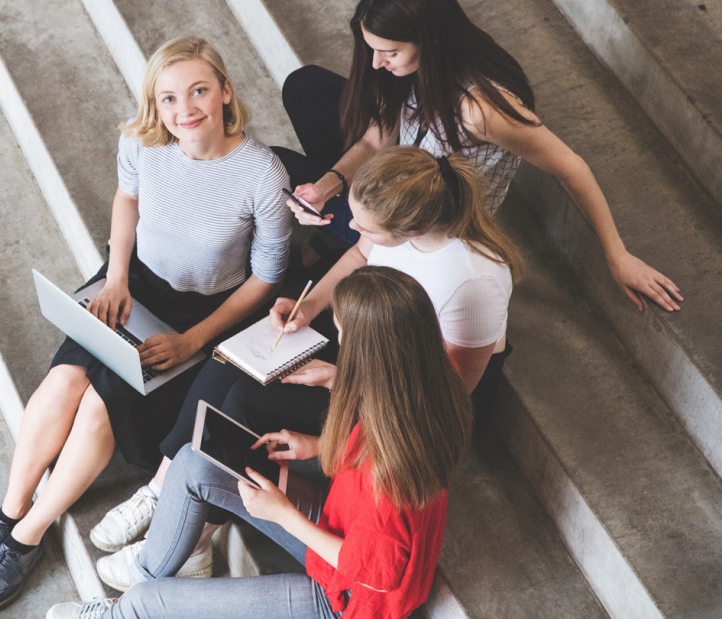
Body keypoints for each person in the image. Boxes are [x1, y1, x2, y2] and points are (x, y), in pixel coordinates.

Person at [0, 36, 291, 614]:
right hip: (131, 285)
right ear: (154, 105)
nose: (185, 109)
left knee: (96, 405)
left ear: (227, 92)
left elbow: (265, 281)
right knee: (64, 380)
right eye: (168, 97)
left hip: (202, 317)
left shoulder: (262, 175)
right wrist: (114, 276)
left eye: (200, 90)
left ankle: (27, 535)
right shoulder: (142, 141)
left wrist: (193, 340)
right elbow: (126, 201)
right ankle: (8, 511)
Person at [90, 146, 518, 561]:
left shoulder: (473, 283)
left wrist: (339, 379)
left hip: (401, 399)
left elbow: (444, 398)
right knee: (230, 360)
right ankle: (162, 487)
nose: (356, 232)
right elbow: (358, 253)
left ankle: (196, 535)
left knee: (247, 403)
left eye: (366, 227)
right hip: (366, 348)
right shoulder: (393, 230)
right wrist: (309, 307)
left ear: (410, 227)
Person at [46, 266, 474, 619]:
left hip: (347, 597)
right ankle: (149, 567)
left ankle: (122, 612)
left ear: (372, 350)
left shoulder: (390, 475)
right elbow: (375, 437)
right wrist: (316, 444)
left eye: (343, 336)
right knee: (195, 461)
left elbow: (373, 571)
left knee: (144, 604)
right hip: (341, 522)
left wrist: (284, 516)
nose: (340, 343)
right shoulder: (426, 392)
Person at [277, 0, 680, 313]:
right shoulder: (413, 71)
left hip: (428, 221)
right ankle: (336, 227)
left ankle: (338, 233)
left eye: (389, 52)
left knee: (277, 162)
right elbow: (373, 141)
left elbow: (571, 167)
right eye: (372, 50)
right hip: (402, 173)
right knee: (306, 86)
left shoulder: (479, 108)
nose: (377, 63)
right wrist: (327, 186)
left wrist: (617, 255)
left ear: (428, 41)